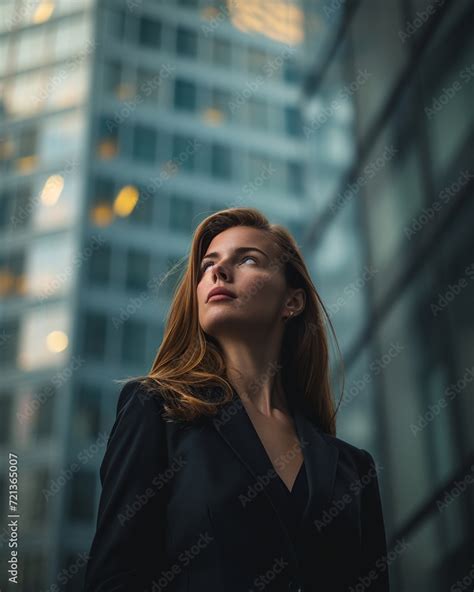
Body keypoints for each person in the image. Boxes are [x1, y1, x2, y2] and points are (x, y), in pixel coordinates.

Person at [83, 207, 390, 592]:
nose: (219, 271)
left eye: (247, 259)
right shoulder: (156, 409)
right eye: (209, 264)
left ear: (291, 302)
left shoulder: (353, 468)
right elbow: (115, 578)